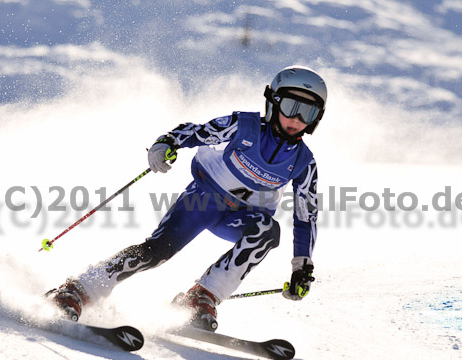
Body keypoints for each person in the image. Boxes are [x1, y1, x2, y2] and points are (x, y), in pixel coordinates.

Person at [49, 65, 325, 331]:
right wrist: (167, 142)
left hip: (242, 218)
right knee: (156, 253)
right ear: (273, 102)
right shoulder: (244, 126)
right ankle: (76, 290)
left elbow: (306, 216)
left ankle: (202, 297)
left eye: (308, 113)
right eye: (291, 107)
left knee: (267, 232)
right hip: (203, 202)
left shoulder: (304, 163)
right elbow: (197, 131)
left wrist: (302, 266)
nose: (296, 120)